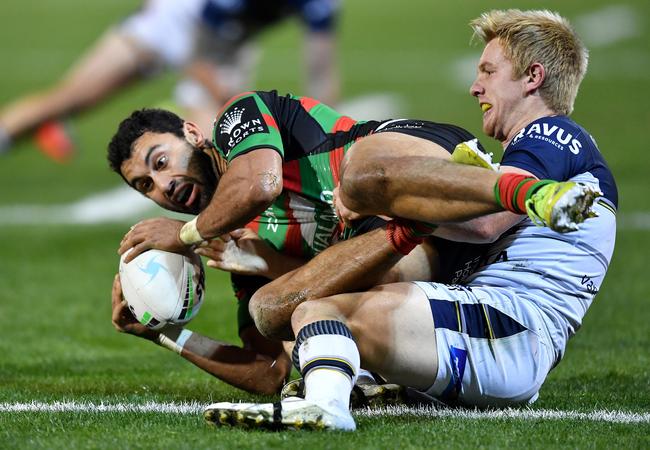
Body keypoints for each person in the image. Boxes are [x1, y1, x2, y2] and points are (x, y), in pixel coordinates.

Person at [203, 9, 615, 431]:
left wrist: (391, 209)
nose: (476, 87)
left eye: (489, 71)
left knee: (323, 311)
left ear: (533, 77)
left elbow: (487, 223)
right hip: (500, 336)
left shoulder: (551, 134)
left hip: (506, 327)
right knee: (291, 309)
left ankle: (327, 405)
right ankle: (361, 382)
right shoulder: (555, 148)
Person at [107, 89, 591, 397]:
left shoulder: (240, 118)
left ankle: (527, 190)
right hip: (422, 253)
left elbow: (260, 184)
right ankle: (414, 227)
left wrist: (187, 235)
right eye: (145, 185)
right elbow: (271, 370)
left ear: (193, 133)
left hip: (401, 161)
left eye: (160, 160)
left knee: (358, 180)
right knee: (270, 309)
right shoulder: (235, 247)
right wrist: (166, 335)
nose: (162, 184)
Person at [0, 0, 340, 161]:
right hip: (170, 25)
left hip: (228, 43)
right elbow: (196, 56)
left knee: (219, 146)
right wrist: (226, 96)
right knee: (72, 98)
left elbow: (321, 71)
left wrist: (326, 142)